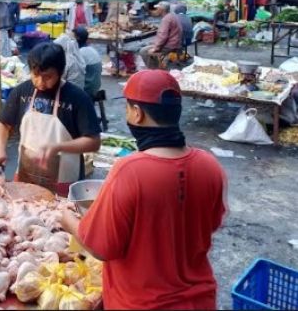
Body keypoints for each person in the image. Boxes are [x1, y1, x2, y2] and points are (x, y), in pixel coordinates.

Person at [60, 70, 226, 309]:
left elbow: (101, 247)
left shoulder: (130, 171)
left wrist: (68, 220)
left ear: (136, 114)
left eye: (128, 107)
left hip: (141, 303)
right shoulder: (210, 165)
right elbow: (209, 224)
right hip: (200, 301)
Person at [0, 43, 100, 195]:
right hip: (26, 175)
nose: (40, 83)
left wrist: (58, 147)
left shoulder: (77, 98)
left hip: (64, 180)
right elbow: (2, 124)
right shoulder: (22, 91)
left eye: (47, 77)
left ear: (60, 73)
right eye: (35, 75)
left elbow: (93, 142)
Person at [140, 2, 182, 69]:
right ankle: (157, 67)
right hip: (174, 43)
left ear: (161, 10)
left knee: (143, 51)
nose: (156, 10)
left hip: (170, 45)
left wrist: (156, 48)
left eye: (157, 9)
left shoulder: (166, 19)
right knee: (149, 44)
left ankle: (154, 70)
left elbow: (163, 36)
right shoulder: (171, 16)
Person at [73, 27, 102, 98]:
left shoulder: (80, 53)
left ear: (77, 38)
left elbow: (74, 74)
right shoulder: (92, 50)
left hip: (87, 89)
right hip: (95, 86)